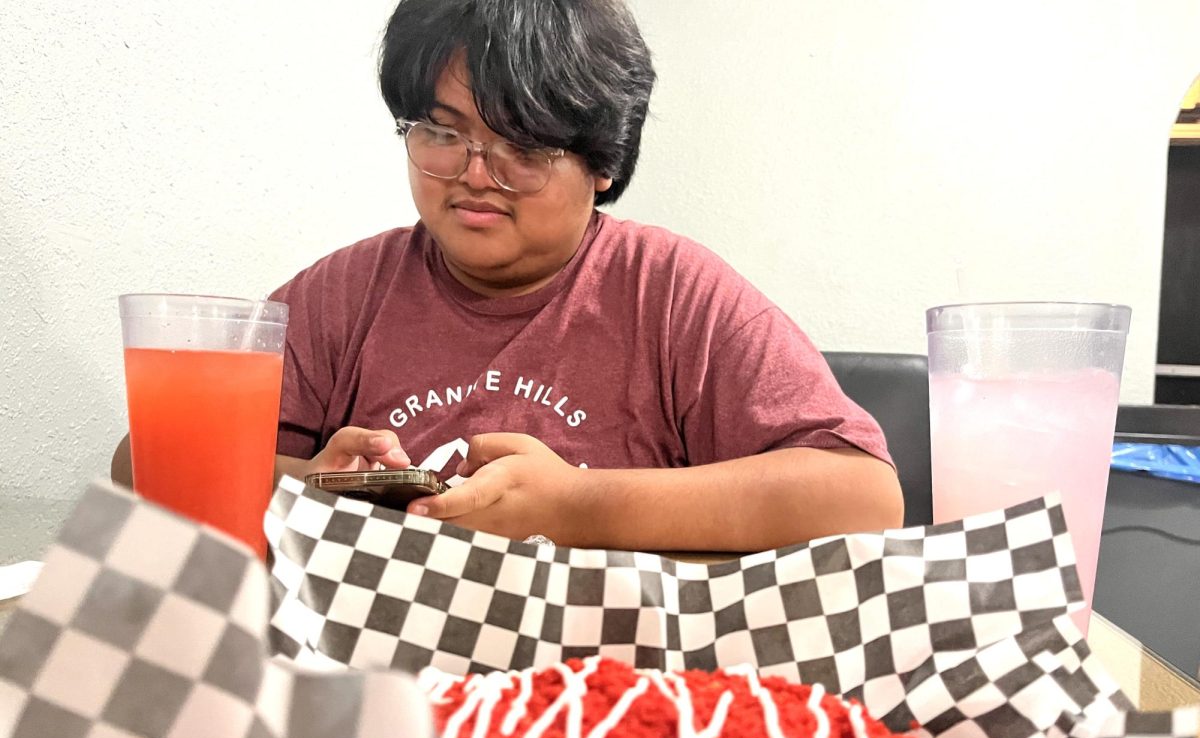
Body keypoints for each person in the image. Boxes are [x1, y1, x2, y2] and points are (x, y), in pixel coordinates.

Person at [115, 0, 903, 552]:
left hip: (606, 682)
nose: (472, 176)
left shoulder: (671, 293)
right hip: (373, 679)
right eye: (441, 132)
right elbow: (142, 462)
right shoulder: (346, 293)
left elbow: (862, 496)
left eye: (522, 147)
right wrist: (307, 485)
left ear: (602, 163)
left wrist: (581, 506)